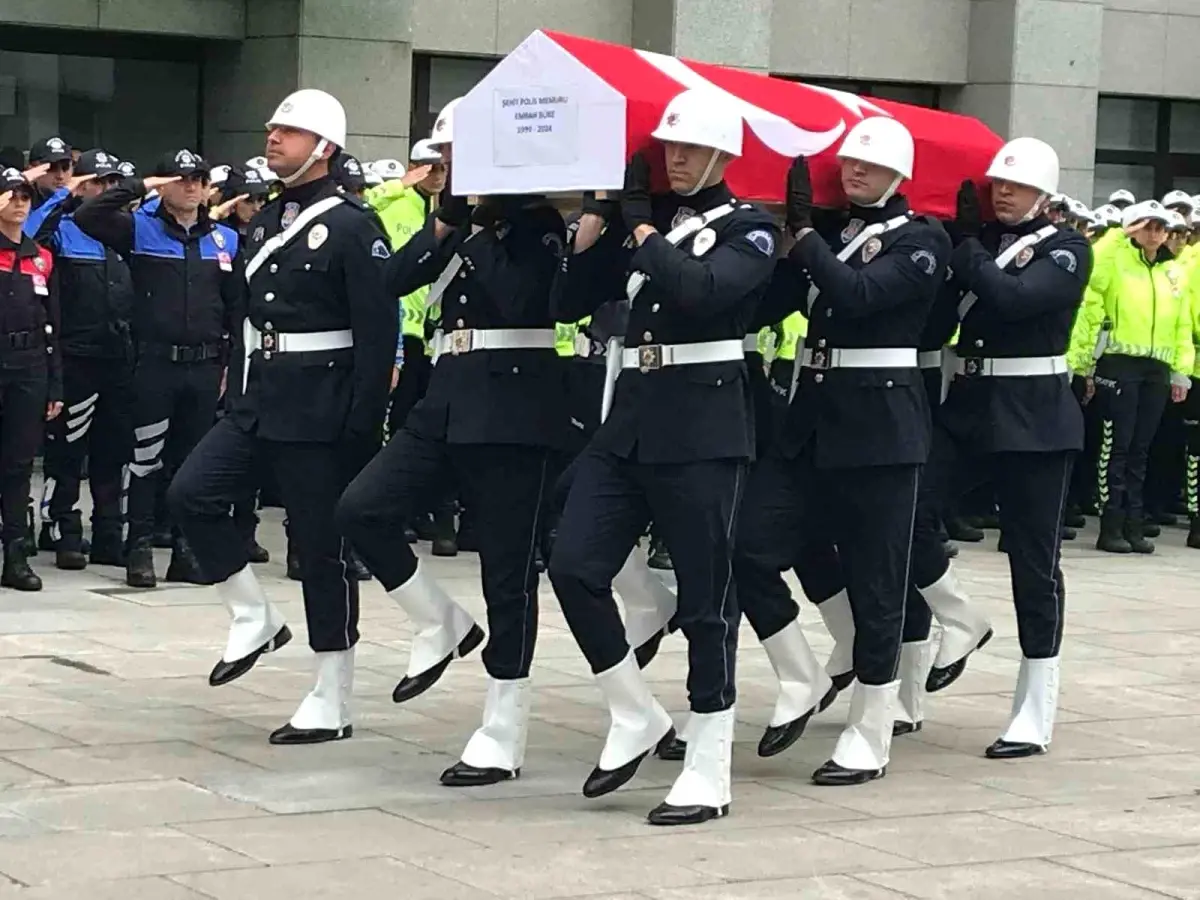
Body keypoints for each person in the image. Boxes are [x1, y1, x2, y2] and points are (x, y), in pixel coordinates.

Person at [547, 88, 777, 825]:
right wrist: (596, 215)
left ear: (722, 155)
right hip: (634, 420)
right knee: (574, 564)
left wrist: (644, 226)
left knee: (708, 599)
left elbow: (703, 292)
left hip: (705, 423)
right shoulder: (640, 223)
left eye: (687, 148)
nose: (673, 158)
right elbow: (568, 299)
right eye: (666, 148)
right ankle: (634, 711)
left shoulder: (750, 229)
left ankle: (710, 762)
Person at [334, 95, 568, 786]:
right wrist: (448, 223)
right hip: (448, 397)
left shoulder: (537, 221)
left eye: (459, 159)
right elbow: (392, 279)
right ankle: (438, 621)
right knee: (363, 508)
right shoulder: (459, 219)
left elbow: (525, 300)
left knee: (508, 572)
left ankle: (504, 724)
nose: (448, 171)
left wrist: (474, 230)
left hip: (515, 402)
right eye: (445, 161)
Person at [168, 88, 395, 744]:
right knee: (191, 494)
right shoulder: (265, 219)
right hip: (258, 398)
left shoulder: (353, 225)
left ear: (323, 147)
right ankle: (252, 616)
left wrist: (364, 422)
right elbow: (247, 319)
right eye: (272, 128)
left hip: (322, 407)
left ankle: (332, 692)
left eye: (289, 131)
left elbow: (377, 333)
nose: (273, 137)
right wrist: (236, 392)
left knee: (319, 552)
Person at [732, 116, 948, 787]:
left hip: (881, 426)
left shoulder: (921, 241)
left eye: (868, 165)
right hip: (813, 421)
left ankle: (871, 728)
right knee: (749, 545)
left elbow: (858, 297)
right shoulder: (831, 234)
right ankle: (801, 669)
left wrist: (803, 238)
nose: (853, 172)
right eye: (848, 163)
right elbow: (772, 304)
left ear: (899, 174)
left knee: (879, 581)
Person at [935, 138, 1092, 758]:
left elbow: (1015, 299)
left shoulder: (1067, 248)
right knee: (908, 513)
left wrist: (966, 248)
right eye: (998, 183)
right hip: (971, 410)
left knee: (1032, 561)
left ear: (1044, 195)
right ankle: (959, 619)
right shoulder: (978, 245)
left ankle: (1035, 703)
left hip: (1034, 420)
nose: (1003, 192)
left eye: (1017, 186)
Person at [73, 148, 238, 587]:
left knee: (190, 465)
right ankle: (140, 547)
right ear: (164, 185)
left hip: (204, 367)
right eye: (180, 178)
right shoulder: (138, 229)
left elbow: (236, 306)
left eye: (198, 179)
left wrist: (232, 361)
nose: (190, 186)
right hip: (153, 364)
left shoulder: (225, 239)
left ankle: (185, 549)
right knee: (144, 460)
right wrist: (142, 184)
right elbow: (89, 215)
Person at [22, 149, 133, 570]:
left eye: (113, 183)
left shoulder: (126, 230)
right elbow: (27, 235)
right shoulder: (61, 227)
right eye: (98, 182)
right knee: (68, 450)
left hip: (119, 356)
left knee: (113, 450)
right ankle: (63, 528)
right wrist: (62, 192)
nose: (108, 190)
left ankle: (108, 533)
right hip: (75, 355)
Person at [1068, 199, 1193, 554]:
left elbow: (1182, 324)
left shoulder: (1173, 272)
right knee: (1115, 448)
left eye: (1160, 227)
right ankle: (1111, 525)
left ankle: (1133, 524)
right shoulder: (1115, 260)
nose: (1154, 233)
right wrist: (1121, 235)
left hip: (1156, 368)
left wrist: (1181, 371)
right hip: (1118, 364)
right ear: (1133, 230)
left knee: (1141, 449)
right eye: (1146, 226)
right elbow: (1094, 281)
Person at [0, 167, 63, 589]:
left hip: (29, 365)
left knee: (19, 464)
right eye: (10, 194)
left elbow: (54, 323)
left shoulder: (40, 255)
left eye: (24, 195)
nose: (19, 202)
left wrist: (55, 384)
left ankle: (16, 556)